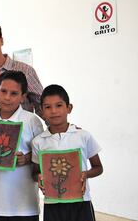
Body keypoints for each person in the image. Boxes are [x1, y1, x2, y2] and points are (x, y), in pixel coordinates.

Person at [0, 71, 43, 221]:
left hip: (25, 201)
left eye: (14, 93)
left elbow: (42, 154)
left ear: (23, 96)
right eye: (3, 91)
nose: (7, 97)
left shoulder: (32, 120)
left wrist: (26, 158)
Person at [31, 84, 103, 221]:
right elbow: (34, 172)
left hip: (81, 201)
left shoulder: (83, 136)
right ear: (42, 111)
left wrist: (85, 174)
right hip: (53, 203)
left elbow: (98, 167)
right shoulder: (38, 142)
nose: (53, 111)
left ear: (69, 108)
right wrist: (39, 177)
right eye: (48, 107)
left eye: (59, 105)